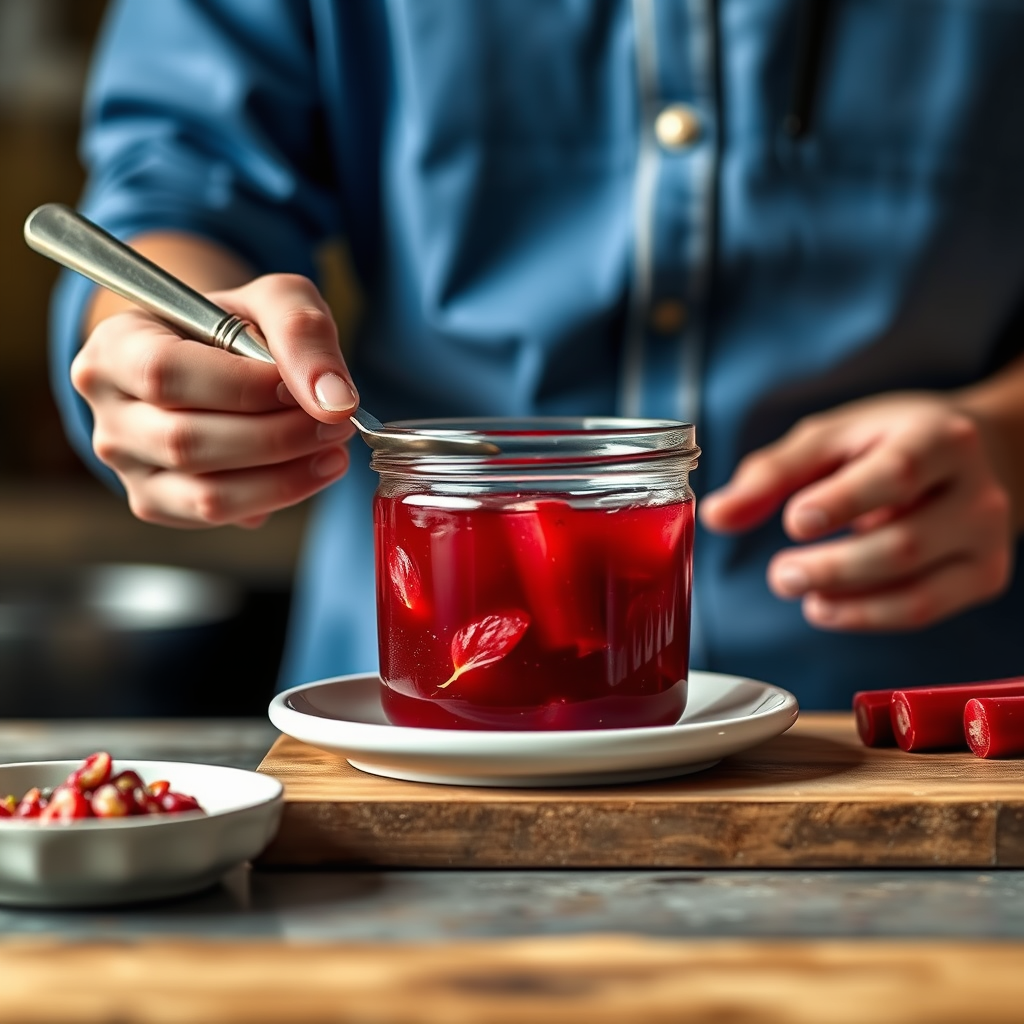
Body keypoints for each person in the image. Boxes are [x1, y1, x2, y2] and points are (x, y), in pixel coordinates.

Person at [51, 0, 1024, 710]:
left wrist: (1008, 438)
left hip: (913, 716)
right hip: (408, 748)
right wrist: (156, 340)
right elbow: (180, 180)